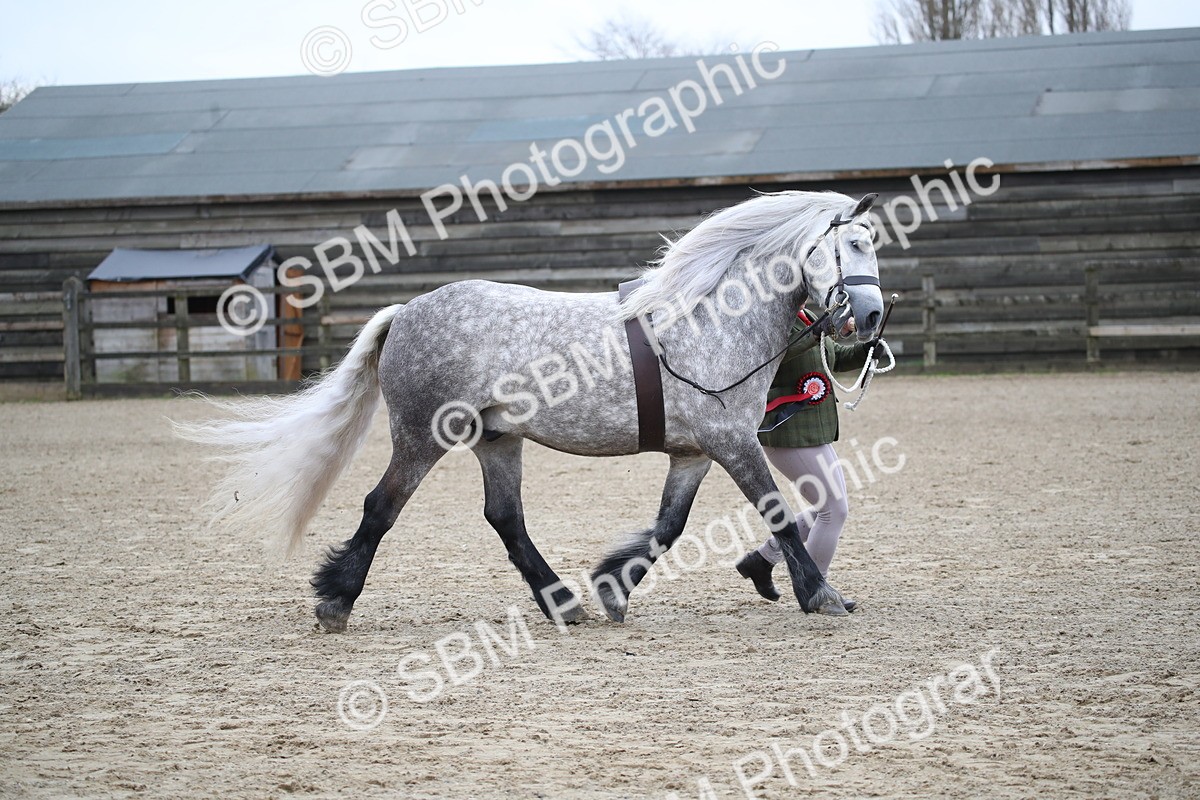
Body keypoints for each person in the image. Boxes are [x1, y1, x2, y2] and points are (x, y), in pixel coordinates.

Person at [734, 304, 874, 614]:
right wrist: (821, 329)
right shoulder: (771, 319)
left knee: (828, 509)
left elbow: (831, 357)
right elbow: (786, 351)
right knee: (833, 511)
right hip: (787, 429)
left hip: (813, 429)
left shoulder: (807, 316)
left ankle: (763, 559)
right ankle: (815, 587)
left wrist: (867, 347)